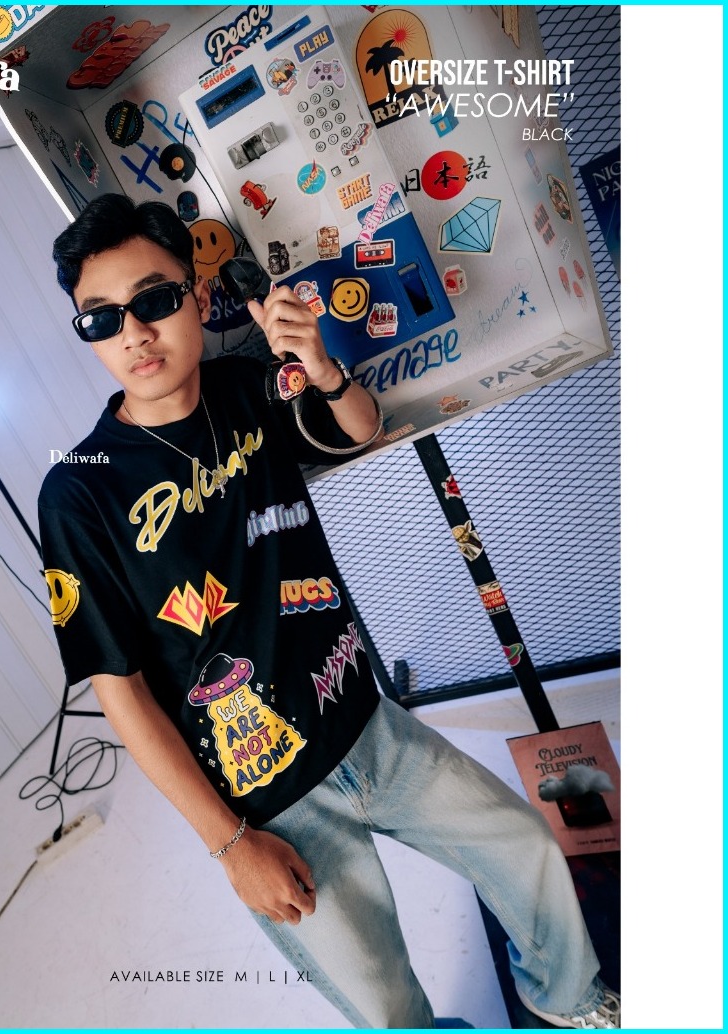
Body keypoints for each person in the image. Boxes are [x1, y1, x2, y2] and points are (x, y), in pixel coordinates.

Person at [37, 194, 619, 1029]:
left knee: (524, 848)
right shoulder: (78, 490)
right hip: (266, 797)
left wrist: (325, 368)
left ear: (197, 296)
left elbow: (358, 429)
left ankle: (571, 1002)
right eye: (100, 319)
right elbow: (119, 691)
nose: (133, 333)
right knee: (386, 1004)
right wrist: (231, 845)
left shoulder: (247, 388)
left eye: (154, 299)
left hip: (364, 723)